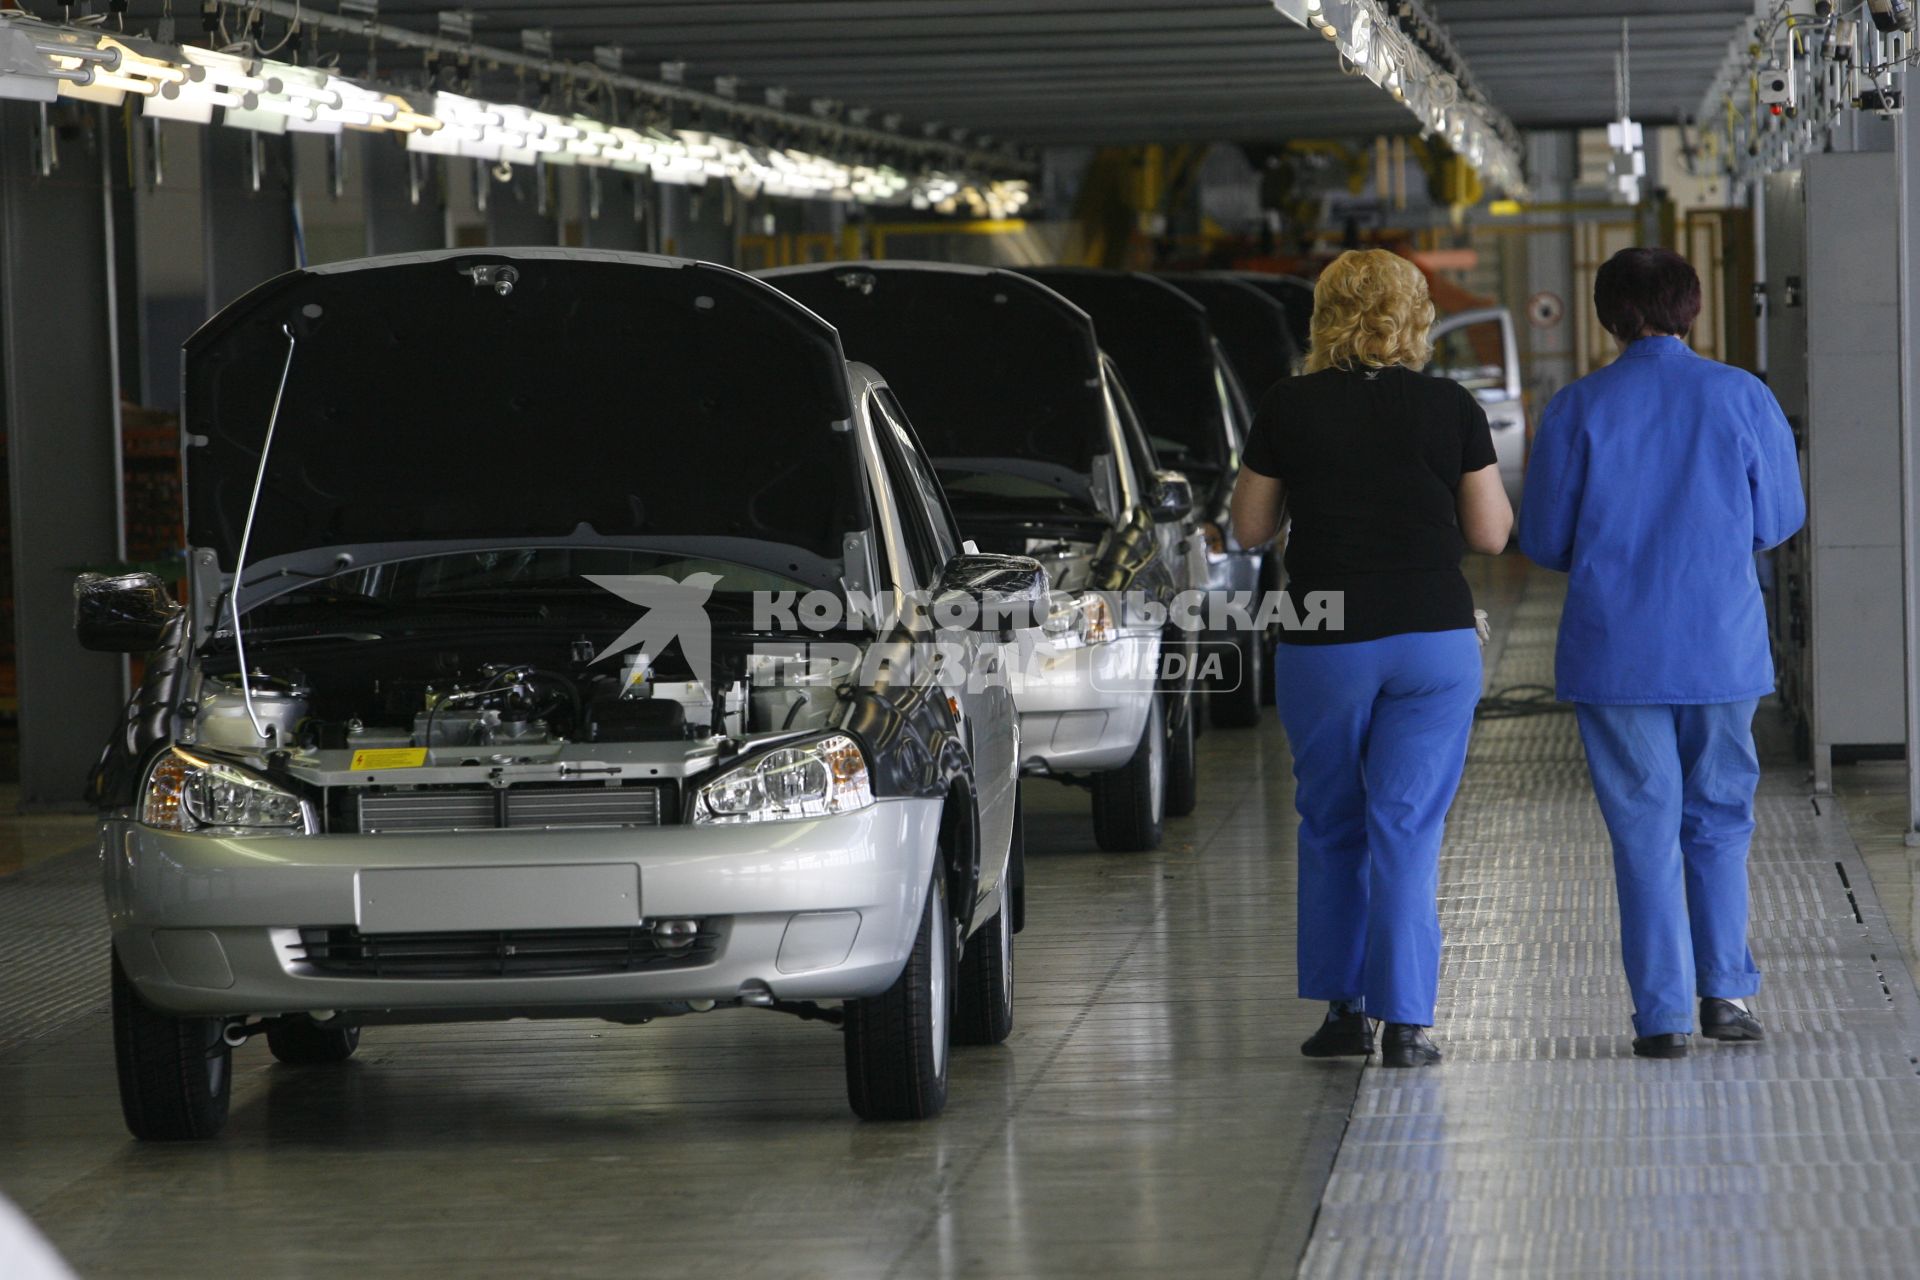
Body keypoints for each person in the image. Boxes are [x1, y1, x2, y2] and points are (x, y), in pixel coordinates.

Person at [1519, 246, 1805, 1060]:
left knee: (1644, 828)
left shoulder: (1576, 409)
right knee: (1718, 819)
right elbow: (1779, 517)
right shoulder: (1743, 396)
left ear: (1608, 318)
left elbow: (1542, 538)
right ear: (1693, 309)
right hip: (1720, 643)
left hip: (1616, 653)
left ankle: (1662, 1018)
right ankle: (1728, 996)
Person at [1231, 249, 1513, 1068]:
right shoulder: (1449, 405)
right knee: (1407, 826)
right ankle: (1407, 1024)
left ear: (1324, 317)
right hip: (1433, 638)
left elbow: (1249, 530)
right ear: (1415, 315)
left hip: (1327, 639)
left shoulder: (1288, 405)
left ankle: (1342, 1014)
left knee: (1332, 823)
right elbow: (1492, 533)